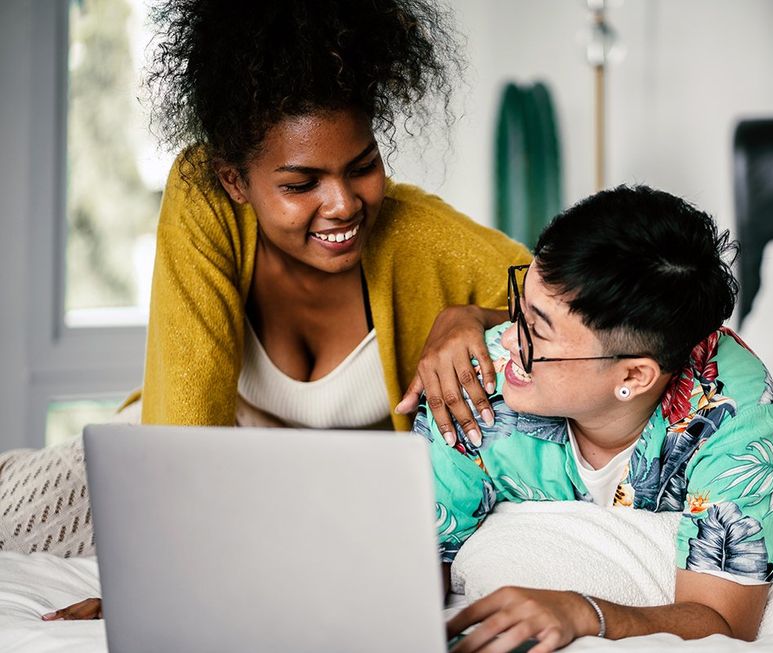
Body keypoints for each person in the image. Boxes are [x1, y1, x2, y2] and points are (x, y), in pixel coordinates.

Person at [15, 0, 530, 620]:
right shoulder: (205, 195)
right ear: (237, 181)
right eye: (299, 184)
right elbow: (183, 434)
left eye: (362, 167)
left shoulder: (423, 237)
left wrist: (477, 318)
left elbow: (581, 305)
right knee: (29, 511)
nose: (342, 204)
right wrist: (167, 575)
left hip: (332, 501)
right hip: (188, 468)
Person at [413, 185, 773, 651]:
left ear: (634, 376)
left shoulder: (736, 415)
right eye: (520, 308)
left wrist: (583, 612)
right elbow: (416, 567)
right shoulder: (475, 385)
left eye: (537, 332)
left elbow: (722, 620)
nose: (508, 341)